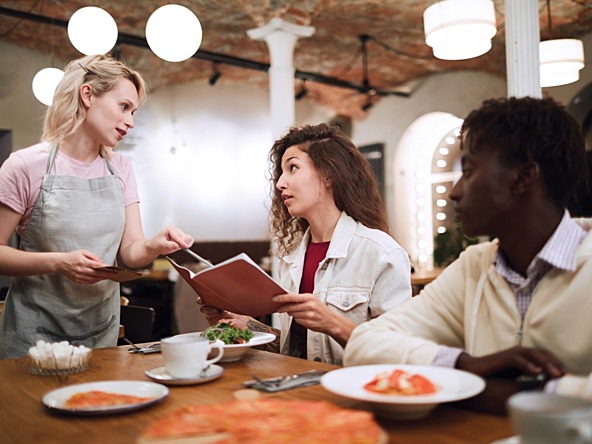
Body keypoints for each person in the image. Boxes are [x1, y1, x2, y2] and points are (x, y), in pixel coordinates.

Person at [344, 96, 592, 401]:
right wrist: (465, 364)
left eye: (470, 170)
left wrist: (522, 393)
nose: (455, 191)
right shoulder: (475, 266)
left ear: (523, 178)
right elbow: (362, 345)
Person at [0, 54, 193, 359]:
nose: (130, 122)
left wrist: (154, 244)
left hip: (101, 333)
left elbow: (130, 252)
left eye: (134, 112)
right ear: (87, 95)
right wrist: (60, 262)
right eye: (124, 107)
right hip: (33, 339)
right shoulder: (26, 166)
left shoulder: (122, 169)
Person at [199, 123, 411, 365]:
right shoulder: (292, 256)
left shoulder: (381, 252)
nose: (279, 183)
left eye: (293, 168)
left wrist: (333, 324)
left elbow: (397, 353)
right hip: (299, 388)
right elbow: (296, 348)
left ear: (329, 175)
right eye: (280, 172)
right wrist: (244, 324)